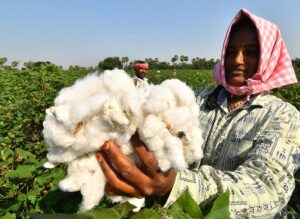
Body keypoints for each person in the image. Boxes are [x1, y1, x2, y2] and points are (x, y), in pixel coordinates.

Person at [96, 9, 300, 218]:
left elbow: (266, 188)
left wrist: (176, 186)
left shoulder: (282, 116)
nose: (238, 60)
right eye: (230, 52)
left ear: (269, 57)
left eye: (251, 52)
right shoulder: (196, 98)